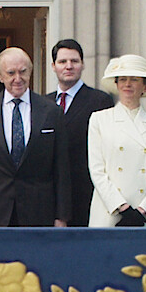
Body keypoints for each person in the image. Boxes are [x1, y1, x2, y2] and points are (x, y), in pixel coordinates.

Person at [0, 47, 68, 227]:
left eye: (23, 72)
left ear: (31, 71)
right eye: (11, 73)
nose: (17, 79)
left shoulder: (51, 112)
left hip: (39, 211)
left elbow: (61, 167)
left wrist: (62, 216)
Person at [84, 54, 146, 228]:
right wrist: (122, 208)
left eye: (134, 79)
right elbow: (97, 170)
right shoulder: (99, 120)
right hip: (108, 214)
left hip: (145, 216)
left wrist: (143, 211)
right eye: (122, 79)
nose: (127, 84)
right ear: (116, 85)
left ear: (145, 86)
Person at [48, 39, 113, 226]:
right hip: (51, 197)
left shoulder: (100, 101)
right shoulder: (43, 104)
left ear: (82, 65)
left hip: (86, 194)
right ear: (53, 66)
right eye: (62, 62)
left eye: (74, 61)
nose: (69, 66)